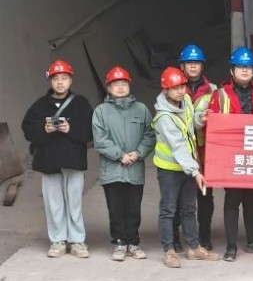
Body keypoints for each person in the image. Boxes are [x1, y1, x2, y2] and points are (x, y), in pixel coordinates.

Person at [206, 46, 253, 262]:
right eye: (240, 67)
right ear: (232, 70)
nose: (244, 70)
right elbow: (212, 126)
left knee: (251, 199)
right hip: (231, 157)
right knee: (232, 199)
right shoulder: (220, 95)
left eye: (248, 67)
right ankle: (231, 246)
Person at [21, 60, 94, 259]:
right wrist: (43, 129)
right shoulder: (39, 105)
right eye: (56, 78)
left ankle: (77, 240)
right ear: (50, 81)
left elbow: (91, 129)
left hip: (73, 160)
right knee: (53, 202)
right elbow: (27, 128)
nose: (60, 82)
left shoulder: (81, 103)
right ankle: (58, 240)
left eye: (64, 78)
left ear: (71, 80)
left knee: (74, 202)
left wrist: (71, 129)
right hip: (49, 161)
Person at [152, 67, 220, 268]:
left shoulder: (187, 101)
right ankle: (169, 250)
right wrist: (196, 171)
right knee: (168, 209)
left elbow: (189, 126)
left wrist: (200, 119)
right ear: (166, 90)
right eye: (175, 88)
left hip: (187, 166)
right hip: (169, 169)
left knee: (189, 208)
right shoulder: (164, 117)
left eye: (182, 86)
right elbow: (178, 147)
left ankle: (194, 247)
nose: (180, 91)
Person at [92, 65, 154, 261]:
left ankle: (133, 243)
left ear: (129, 85)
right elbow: (100, 140)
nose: (120, 87)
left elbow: (150, 134)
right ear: (108, 88)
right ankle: (120, 243)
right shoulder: (101, 111)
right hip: (112, 170)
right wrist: (120, 155)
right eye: (115, 84)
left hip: (135, 168)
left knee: (134, 209)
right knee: (116, 209)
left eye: (123, 83)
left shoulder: (141, 109)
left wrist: (138, 153)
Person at [174, 44, 217, 251]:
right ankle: (175, 238)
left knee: (204, 196)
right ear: (182, 66)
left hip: (204, 150)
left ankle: (204, 237)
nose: (193, 66)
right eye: (189, 63)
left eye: (196, 63)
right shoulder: (173, 87)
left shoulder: (213, 90)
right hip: (180, 149)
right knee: (178, 197)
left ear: (202, 66)